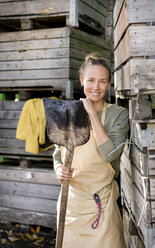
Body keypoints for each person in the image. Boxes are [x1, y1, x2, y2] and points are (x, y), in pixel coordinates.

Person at [53, 53, 129, 247]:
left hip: (102, 206)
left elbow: (110, 154)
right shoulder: (67, 112)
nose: (96, 87)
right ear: (81, 81)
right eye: (91, 80)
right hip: (72, 206)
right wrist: (59, 169)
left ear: (109, 84)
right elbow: (57, 154)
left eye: (102, 82)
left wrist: (92, 114)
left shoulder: (118, 114)